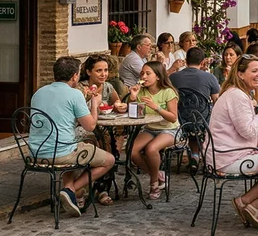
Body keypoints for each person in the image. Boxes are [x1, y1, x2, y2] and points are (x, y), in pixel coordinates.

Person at [28, 57, 116, 218]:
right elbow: (90, 126)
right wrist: (95, 105)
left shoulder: (38, 92)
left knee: (74, 144)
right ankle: (70, 190)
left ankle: (70, 193)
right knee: (109, 159)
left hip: (36, 153)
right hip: (61, 154)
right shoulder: (74, 94)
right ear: (75, 76)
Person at [208, 54, 258, 230]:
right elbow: (250, 130)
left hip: (231, 152)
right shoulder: (237, 96)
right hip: (228, 158)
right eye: (254, 71)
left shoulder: (239, 94)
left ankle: (254, 206)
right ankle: (244, 201)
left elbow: (253, 129)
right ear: (240, 74)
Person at [125, 61, 180, 199]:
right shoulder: (142, 91)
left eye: (148, 73)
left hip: (170, 129)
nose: (144, 76)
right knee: (131, 151)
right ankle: (157, 174)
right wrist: (132, 97)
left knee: (151, 149)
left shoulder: (168, 92)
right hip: (150, 128)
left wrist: (157, 107)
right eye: (142, 73)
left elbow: (173, 118)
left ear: (158, 76)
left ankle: (154, 183)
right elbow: (132, 113)